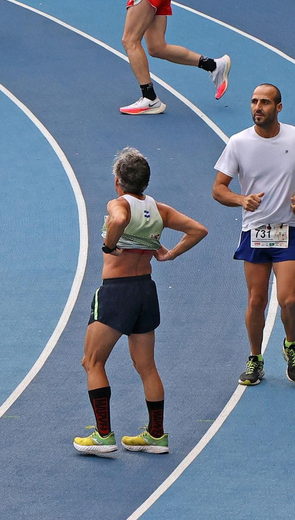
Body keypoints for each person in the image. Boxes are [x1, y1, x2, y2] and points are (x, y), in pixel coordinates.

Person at [74, 148, 207, 455]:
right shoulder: (159, 209)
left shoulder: (118, 203)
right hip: (145, 290)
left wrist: (109, 246)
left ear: (118, 181)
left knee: (92, 361)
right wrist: (169, 253)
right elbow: (198, 230)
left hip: (117, 291)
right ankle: (156, 435)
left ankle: (103, 436)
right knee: (146, 366)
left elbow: (119, 218)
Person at [212, 84, 295, 387]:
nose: (257, 107)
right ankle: (255, 358)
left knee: (288, 299)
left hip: (288, 230)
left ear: (279, 107)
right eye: (254, 102)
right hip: (254, 232)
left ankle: (291, 345)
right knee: (256, 300)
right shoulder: (238, 143)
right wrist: (240, 200)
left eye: (265, 102)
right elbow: (218, 189)